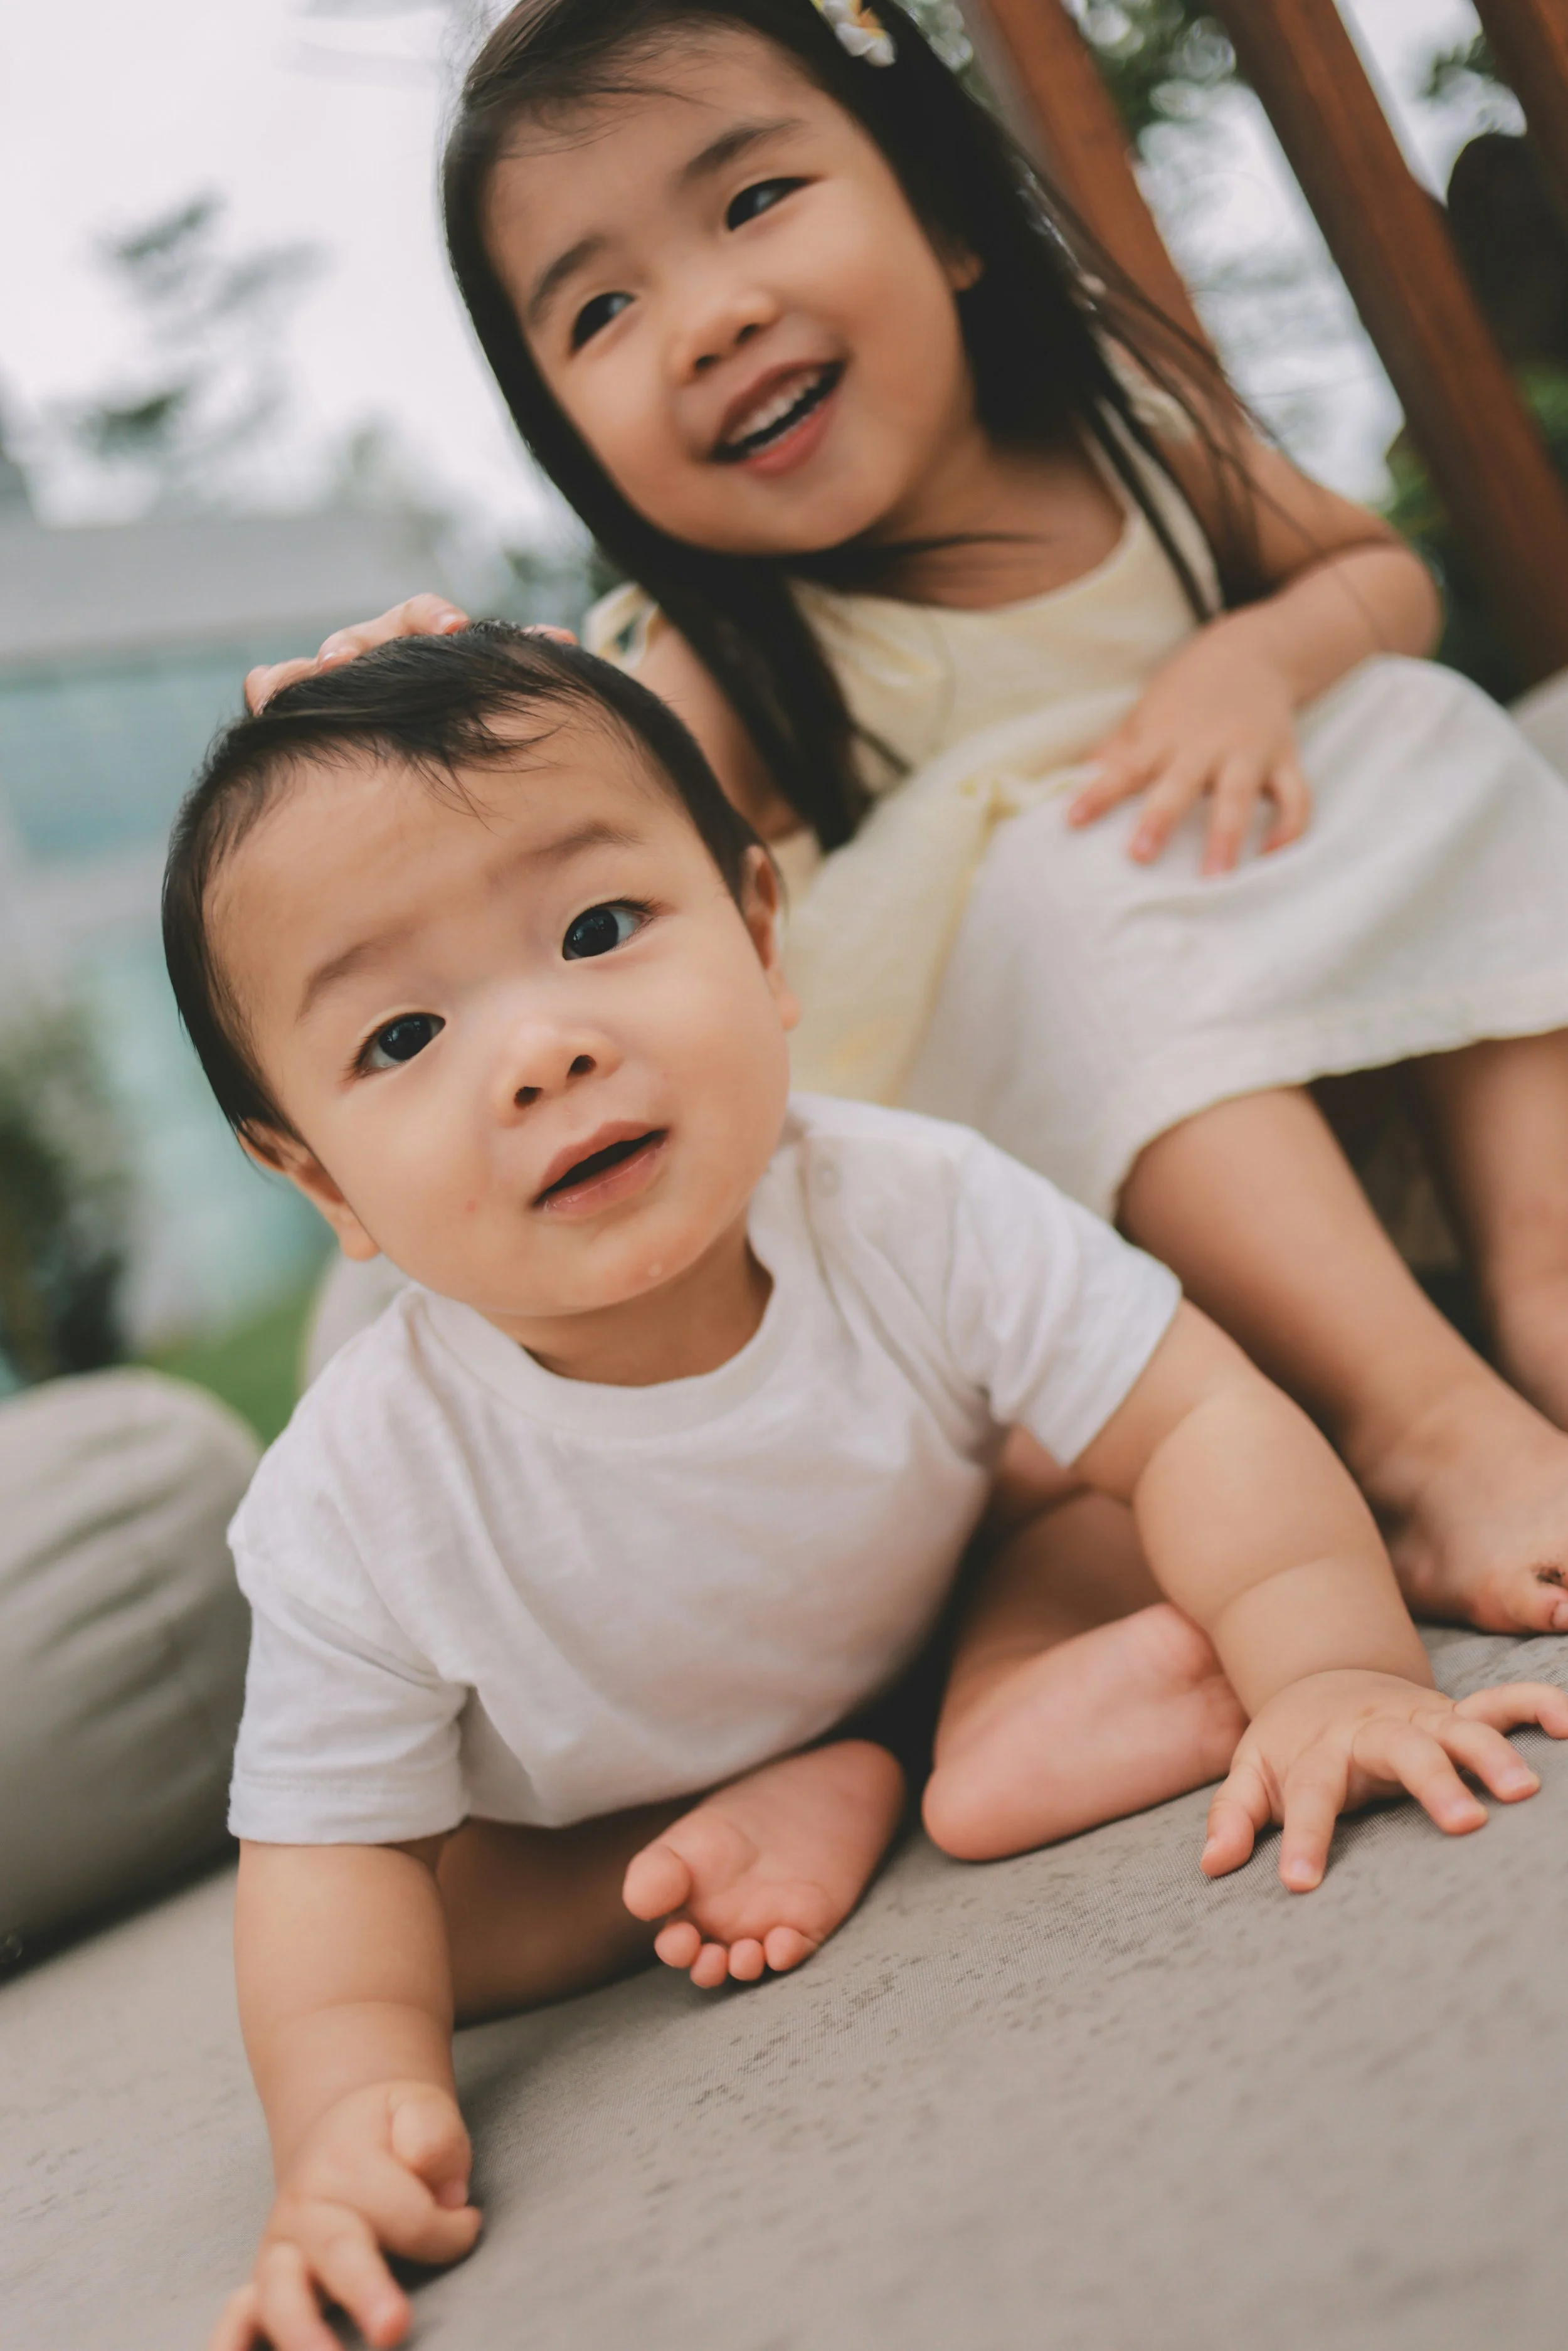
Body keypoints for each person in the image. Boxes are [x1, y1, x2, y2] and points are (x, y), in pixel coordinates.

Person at [177, 625, 1566, 2351]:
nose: (540, 1049)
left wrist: (1333, 1672)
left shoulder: (913, 1205)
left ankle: (945, 1726)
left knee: (1084, 1499)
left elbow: (1202, 1418)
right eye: (401, 1033)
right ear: (321, 1179)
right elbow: (322, 1871)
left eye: (600, 931)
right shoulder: (358, 1493)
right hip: (573, 1814)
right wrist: (341, 2132)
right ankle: (870, 1767)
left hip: (910, 1584)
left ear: (761, 940)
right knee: (405, 1921)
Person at [252, 0, 1568, 1646]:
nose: (707, 318)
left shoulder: (1133, 451)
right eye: (599, 309)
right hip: (1029, 1172)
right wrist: (415, 705)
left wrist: (1255, 650)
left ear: (942, 216)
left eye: (750, 202)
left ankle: (1543, 1284)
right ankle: (1416, 1421)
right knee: (1051, 887)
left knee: (1412, 723)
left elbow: (1379, 582)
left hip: (1299, 1069)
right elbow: (536, 824)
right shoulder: (724, 656)